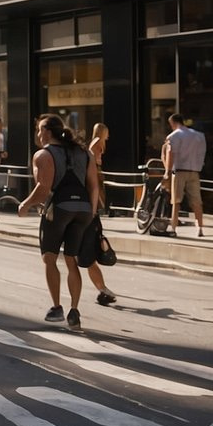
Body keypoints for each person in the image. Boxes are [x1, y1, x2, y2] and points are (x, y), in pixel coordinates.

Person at [17, 114, 101, 330]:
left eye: (38, 130)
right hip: (83, 209)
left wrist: (25, 204)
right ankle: (74, 310)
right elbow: (94, 186)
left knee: (50, 258)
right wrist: (91, 213)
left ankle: (56, 308)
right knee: (72, 259)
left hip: (59, 209)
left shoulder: (43, 155)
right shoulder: (85, 152)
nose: (37, 134)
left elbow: (43, 188)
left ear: (46, 131)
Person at [162, 112, 207, 237]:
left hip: (180, 170)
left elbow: (171, 154)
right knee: (196, 201)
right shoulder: (198, 136)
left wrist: (167, 171)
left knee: (176, 201)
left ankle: (174, 228)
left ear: (172, 123)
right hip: (194, 171)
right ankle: (200, 228)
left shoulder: (173, 136)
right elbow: (201, 153)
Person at [87, 122, 117, 306]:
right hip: (96, 178)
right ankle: (102, 289)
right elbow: (94, 160)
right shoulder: (97, 142)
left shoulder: (95, 142)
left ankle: (102, 289)